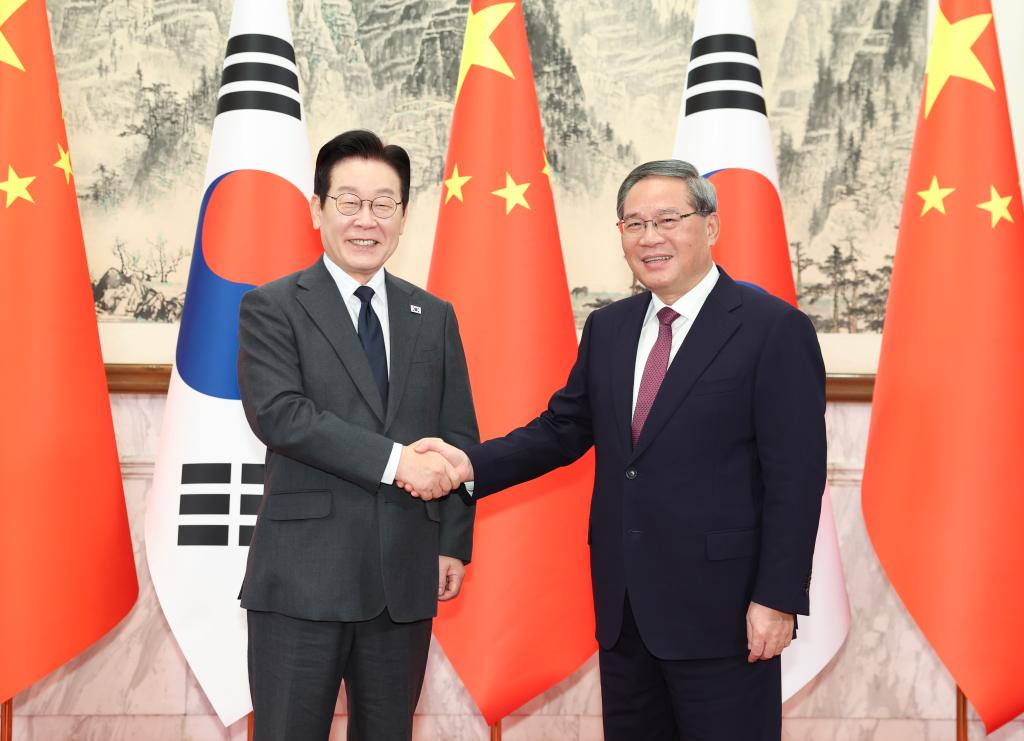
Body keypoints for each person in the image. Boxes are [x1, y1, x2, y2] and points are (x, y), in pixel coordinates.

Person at [406, 160, 825, 740]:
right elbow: (562, 429)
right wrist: (468, 463)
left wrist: (776, 598)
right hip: (626, 613)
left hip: (726, 616)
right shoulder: (610, 328)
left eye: (668, 220)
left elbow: (796, 479)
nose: (650, 238)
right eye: (635, 224)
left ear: (710, 226)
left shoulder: (772, 328)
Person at [237, 129, 478, 741]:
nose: (365, 220)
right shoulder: (273, 306)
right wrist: (398, 462)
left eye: (383, 204)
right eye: (348, 202)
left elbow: (456, 434)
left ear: (403, 216)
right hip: (302, 578)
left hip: (404, 576)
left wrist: (452, 541)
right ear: (317, 209)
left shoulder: (433, 315)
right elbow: (281, 415)